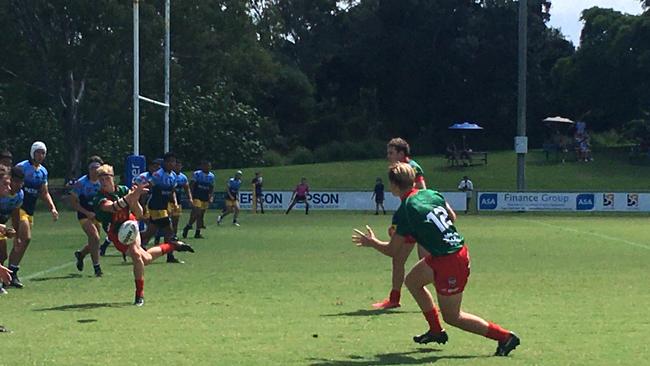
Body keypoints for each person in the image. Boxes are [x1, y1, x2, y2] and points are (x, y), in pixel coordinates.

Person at [353, 162, 520, 356]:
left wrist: (372, 242)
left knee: (453, 317)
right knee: (413, 281)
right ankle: (435, 331)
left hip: (450, 261)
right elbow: (452, 216)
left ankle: (505, 337)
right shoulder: (431, 193)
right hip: (449, 253)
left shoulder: (405, 210)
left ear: (395, 186)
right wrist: (423, 231)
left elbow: (392, 251)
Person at [93, 164, 194, 306]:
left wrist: (135, 198)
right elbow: (112, 207)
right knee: (144, 259)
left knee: (135, 253)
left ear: (113, 178)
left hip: (130, 225)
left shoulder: (123, 190)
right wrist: (132, 196)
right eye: (100, 178)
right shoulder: (99, 197)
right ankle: (172, 245)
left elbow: (139, 213)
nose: (103, 181)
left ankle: (139, 294)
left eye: (106, 177)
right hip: (117, 233)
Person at [373, 137, 427, 309]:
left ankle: (440, 299)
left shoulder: (412, 168)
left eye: (391, 152)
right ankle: (394, 299)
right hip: (409, 221)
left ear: (401, 153)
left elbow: (422, 191)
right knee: (398, 258)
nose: (388, 156)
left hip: (419, 221)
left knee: (427, 261)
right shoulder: (399, 170)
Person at [9, 141, 59, 288]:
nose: (40, 155)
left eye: (43, 153)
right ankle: (12, 272)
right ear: (32, 152)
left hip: (30, 211)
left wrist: (52, 208)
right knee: (26, 237)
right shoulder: (22, 167)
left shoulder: (43, 172)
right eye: (38, 152)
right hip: (19, 207)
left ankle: (11, 272)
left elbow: (44, 192)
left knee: (21, 242)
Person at [139, 152, 183, 264]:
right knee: (169, 231)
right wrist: (143, 205)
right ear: (165, 162)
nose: (173, 164)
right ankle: (170, 255)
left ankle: (136, 242)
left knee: (151, 231)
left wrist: (174, 203)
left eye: (174, 161)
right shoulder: (158, 175)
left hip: (164, 206)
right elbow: (147, 189)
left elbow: (172, 191)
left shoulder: (173, 176)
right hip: (156, 206)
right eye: (170, 161)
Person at [72, 156, 105, 277]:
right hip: (84, 214)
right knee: (95, 237)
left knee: (94, 242)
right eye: (92, 168)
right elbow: (74, 202)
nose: (95, 171)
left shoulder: (103, 182)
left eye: (97, 168)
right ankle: (97, 268)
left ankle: (81, 254)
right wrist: (87, 213)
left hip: (97, 214)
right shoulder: (81, 183)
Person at [0, 166, 23, 294]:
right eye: (5, 184)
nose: (9, 188)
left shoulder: (18, 195)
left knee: (2, 254)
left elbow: (15, 214)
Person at [181, 160, 215, 239]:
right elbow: (192, 185)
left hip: (205, 197)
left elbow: (211, 187)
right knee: (198, 212)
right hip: (197, 196)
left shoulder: (211, 176)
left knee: (200, 215)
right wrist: (191, 196)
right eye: (206, 166)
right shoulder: (197, 174)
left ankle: (196, 231)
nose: (208, 167)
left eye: (209, 166)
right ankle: (189, 227)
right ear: (202, 166)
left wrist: (211, 197)